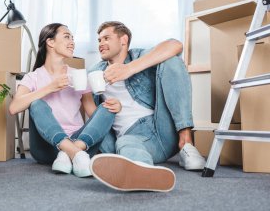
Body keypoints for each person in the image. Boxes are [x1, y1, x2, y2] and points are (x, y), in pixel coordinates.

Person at [88, 21, 206, 192]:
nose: (101, 44)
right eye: (99, 40)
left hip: (160, 127)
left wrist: (129, 69)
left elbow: (175, 45)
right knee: (125, 142)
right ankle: (143, 172)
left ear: (123, 40)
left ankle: (186, 144)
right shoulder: (95, 72)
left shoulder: (139, 56)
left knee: (171, 60)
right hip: (130, 137)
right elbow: (92, 114)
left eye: (106, 38)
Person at [9, 23, 121, 178]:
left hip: (81, 141)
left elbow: (92, 113)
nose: (72, 42)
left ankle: (70, 152)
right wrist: (50, 87)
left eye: (73, 38)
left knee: (107, 107)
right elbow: (14, 108)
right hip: (46, 147)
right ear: (50, 42)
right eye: (67, 37)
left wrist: (110, 109)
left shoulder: (79, 76)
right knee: (36, 104)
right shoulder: (32, 77)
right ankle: (76, 154)